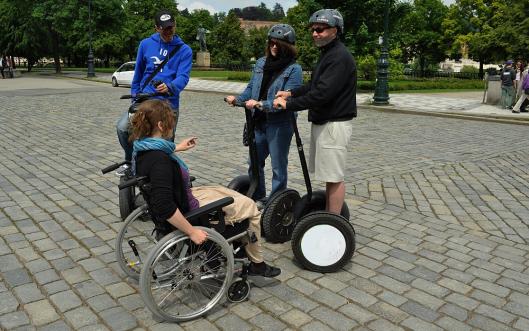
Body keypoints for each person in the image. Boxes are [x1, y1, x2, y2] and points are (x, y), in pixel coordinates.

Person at [130, 99, 281, 278]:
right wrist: (192, 232)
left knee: (222, 190)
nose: (173, 126)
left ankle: (241, 248)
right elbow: (164, 205)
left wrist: (177, 148)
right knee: (252, 208)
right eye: (171, 122)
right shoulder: (160, 161)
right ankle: (258, 264)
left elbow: (158, 164)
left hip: (183, 196)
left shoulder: (142, 149)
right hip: (189, 209)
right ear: (161, 125)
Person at [273, 9, 356, 215]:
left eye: (320, 29)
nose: (315, 33)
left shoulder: (339, 57)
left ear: (335, 30)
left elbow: (322, 94)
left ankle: (333, 223)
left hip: (334, 124)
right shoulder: (328, 54)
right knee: (329, 175)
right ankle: (329, 215)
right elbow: (313, 85)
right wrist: (291, 93)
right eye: (313, 29)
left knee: (334, 177)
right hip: (325, 122)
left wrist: (289, 105)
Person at [226, 24, 303, 207]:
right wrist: (238, 100)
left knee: (278, 166)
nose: (274, 47)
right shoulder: (261, 62)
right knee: (254, 162)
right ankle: (259, 196)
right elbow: (251, 88)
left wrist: (262, 104)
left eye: (278, 44)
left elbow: (286, 102)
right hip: (258, 121)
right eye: (271, 43)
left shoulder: (294, 70)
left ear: (288, 46)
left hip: (280, 124)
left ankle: (275, 204)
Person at [116, 9, 192, 162]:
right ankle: (131, 162)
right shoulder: (145, 44)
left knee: (166, 143)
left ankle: (165, 175)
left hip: (168, 102)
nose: (169, 31)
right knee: (123, 128)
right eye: (164, 28)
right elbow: (138, 73)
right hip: (146, 100)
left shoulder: (185, 50)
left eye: (171, 27)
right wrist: (135, 96)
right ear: (156, 28)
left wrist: (170, 86)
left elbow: (183, 76)